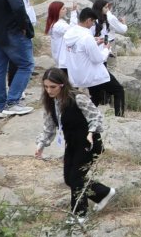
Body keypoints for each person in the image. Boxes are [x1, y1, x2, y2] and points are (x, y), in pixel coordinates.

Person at [33, 69, 114, 221]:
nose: (49, 90)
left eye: (53, 87)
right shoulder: (50, 103)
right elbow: (49, 127)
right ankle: (104, 193)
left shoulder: (78, 98)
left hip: (89, 143)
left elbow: (95, 116)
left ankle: (79, 214)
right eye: (46, 87)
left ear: (62, 85)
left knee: (76, 178)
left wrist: (91, 131)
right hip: (72, 144)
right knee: (69, 179)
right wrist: (41, 144)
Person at [62, 7, 112, 112]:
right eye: (93, 22)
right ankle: (84, 116)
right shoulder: (87, 37)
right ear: (88, 20)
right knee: (99, 96)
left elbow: (80, 48)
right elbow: (97, 59)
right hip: (89, 74)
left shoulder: (70, 33)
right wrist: (106, 49)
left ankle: (78, 114)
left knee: (78, 98)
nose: (93, 25)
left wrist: (95, 43)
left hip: (75, 73)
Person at [86, 0, 128, 118]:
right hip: (98, 63)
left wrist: (106, 47)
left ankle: (86, 117)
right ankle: (119, 117)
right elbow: (96, 45)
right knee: (118, 89)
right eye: (105, 7)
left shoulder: (102, 21)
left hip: (98, 62)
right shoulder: (95, 25)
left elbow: (103, 39)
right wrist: (106, 49)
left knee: (96, 95)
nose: (107, 9)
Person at [46, 1, 68, 70]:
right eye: (63, 9)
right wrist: (74, 14)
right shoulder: (59, 25)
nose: (66, 10)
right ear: (57, 11)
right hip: (64, 60)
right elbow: (73, 31)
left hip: (60, 59)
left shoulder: (54, 23)